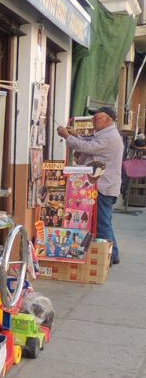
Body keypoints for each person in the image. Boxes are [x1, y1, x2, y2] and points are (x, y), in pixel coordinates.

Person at [57, 105, 124, 265]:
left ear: (108, 120)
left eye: (97, 118)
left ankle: (107, 257)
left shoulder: (111, 137)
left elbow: (88, 147)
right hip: (100, 185)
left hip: (103, 186)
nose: (94, 121)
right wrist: (75, 135)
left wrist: (67, 136)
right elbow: (89, 143)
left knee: (102, 223)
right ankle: (112, 254)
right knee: (103, 220)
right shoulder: (104, 135)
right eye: (93, 118)